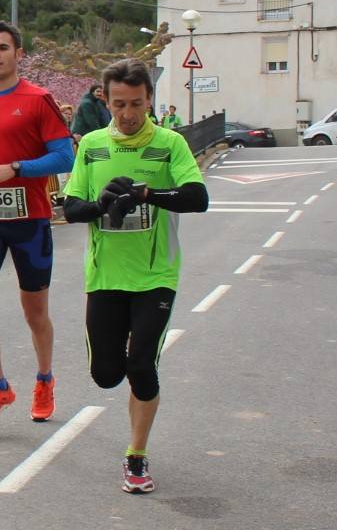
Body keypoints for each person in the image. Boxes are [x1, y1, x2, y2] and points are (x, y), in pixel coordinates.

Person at [63, 59, 208, 495]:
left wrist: (147, 193)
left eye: (138, 104)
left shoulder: (169, 144)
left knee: (142, 365)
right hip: (105, 277)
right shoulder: (91, 145)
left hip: (155, 276)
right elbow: (71, 209)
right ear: (105, 100)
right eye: (120, 104)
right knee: (107, 375)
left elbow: (197, 198)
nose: (128, 114)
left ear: (150, 100)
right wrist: (104, 204)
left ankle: (136, 456)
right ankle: (124, 378)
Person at [0, 21, 75, 427]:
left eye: (3, 47)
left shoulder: (39, 99)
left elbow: (64, 157)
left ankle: (44, 379)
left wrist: (15, 168)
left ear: (18, 54)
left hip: (30, 219)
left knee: (34, 312)